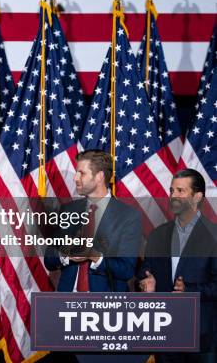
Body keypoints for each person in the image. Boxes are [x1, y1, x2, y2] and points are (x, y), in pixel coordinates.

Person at [139, 169, 217, 363]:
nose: (173, 196)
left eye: (180, 191)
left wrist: (189, 292)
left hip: (201, 333)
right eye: (171, 190)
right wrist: (146, 281)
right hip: (166, 331)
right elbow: (145, 269)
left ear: (197, 197)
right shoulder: (158, 234)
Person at [45, 150, 142, 292]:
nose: (75, 178)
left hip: (105, 305)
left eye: (81, 173)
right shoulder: (68, 210)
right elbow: (49, 259)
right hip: (66, 302)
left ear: (99, 177)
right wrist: (66, 253)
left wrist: (95, 256)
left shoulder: (128, 216)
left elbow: (126, 270)